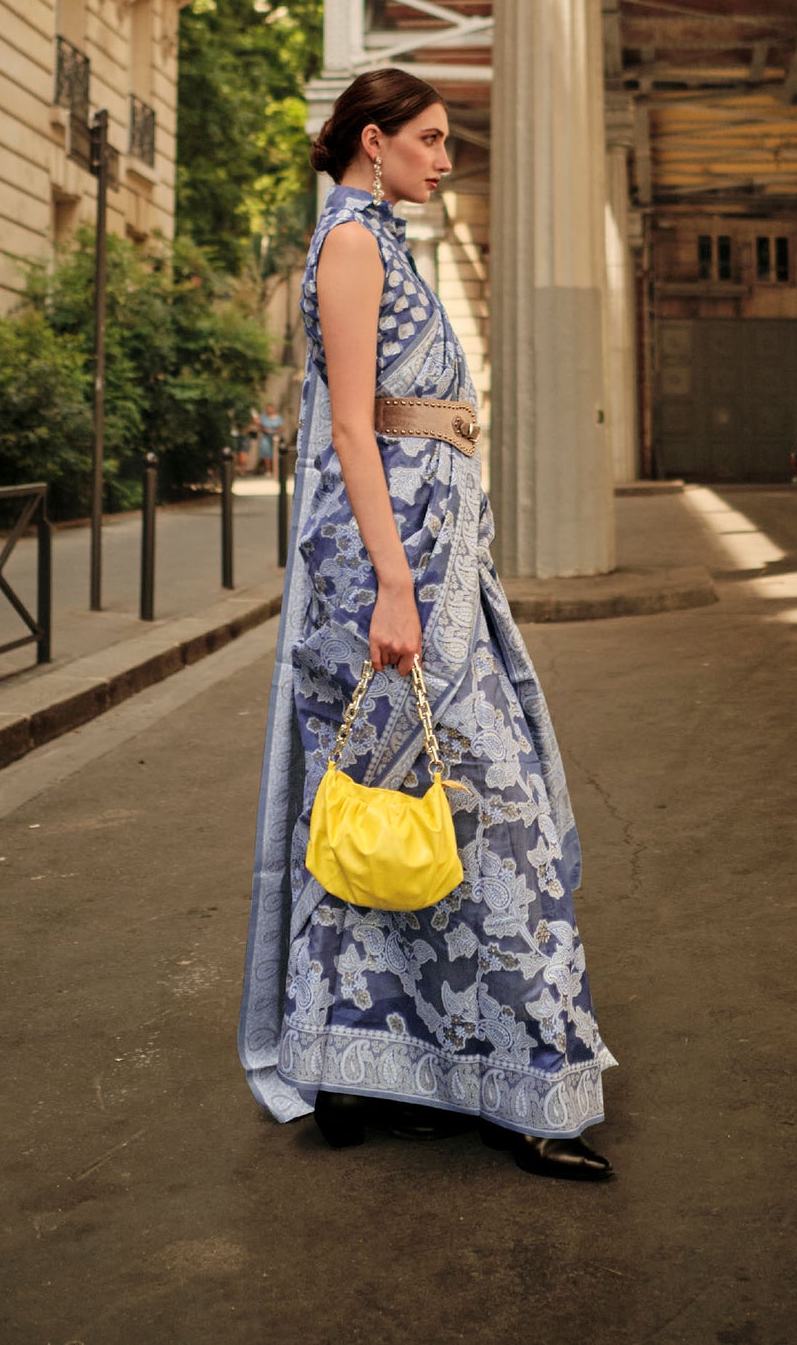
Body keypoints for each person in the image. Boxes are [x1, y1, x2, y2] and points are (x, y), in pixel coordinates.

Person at [238, 67, 615, 1182]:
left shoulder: (380, 239)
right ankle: (522, 1087)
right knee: (475, 818)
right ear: (374, 139)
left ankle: (368, 1073)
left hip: (434, 568)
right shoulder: (350, 246)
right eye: (432, 138)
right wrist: (394, 586)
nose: (445, 158)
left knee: (405, 814)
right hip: (387, 584)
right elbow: (353, 429)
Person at [257, 405, 283, 477]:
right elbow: (259, 426)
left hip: (275, 437)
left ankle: (276, 469)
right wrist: (265, 430)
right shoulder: (263, 418)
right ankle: (268, 470)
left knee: (275, 453)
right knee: (266, 453)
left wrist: (274, 431)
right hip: (265, 437)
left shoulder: (278, 418)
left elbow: (282, 427)